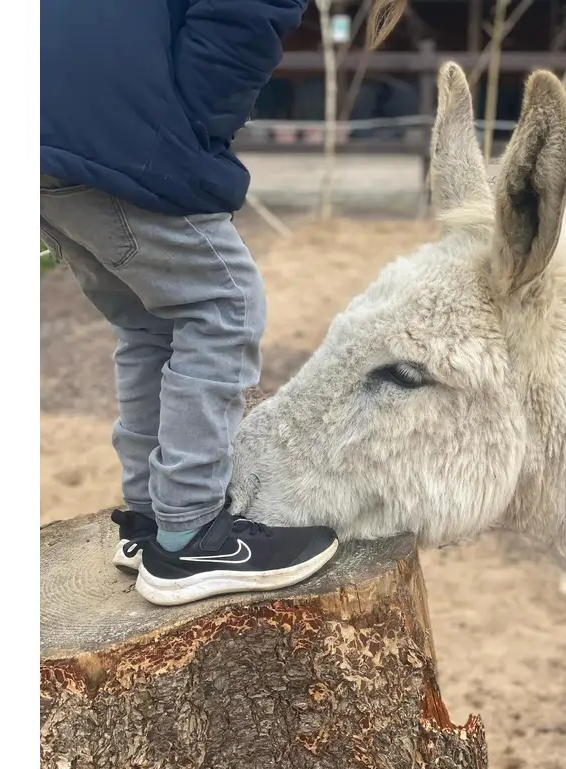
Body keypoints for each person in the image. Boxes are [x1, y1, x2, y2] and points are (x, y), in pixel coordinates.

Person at [41, 0, 403, 606]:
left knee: (148, 321)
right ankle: (190, 535)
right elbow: (237, 23)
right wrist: (195, 150)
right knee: (221, 305)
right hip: (107, 128)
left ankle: (150, 518)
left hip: (45, 128)